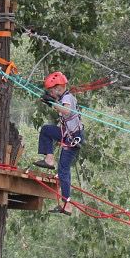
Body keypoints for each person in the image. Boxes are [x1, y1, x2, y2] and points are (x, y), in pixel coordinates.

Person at [33, 71, 84, 215]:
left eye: (51, 91)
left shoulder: (67, 97)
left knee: (63, 170)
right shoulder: (64, 97)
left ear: (59, 88)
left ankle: (67, 205)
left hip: (73, 138)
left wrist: (53, 103)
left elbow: (66, 111)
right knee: (46, 130)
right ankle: (49, 159)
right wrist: (52, 102)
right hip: (67, 134)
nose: (51, 93)